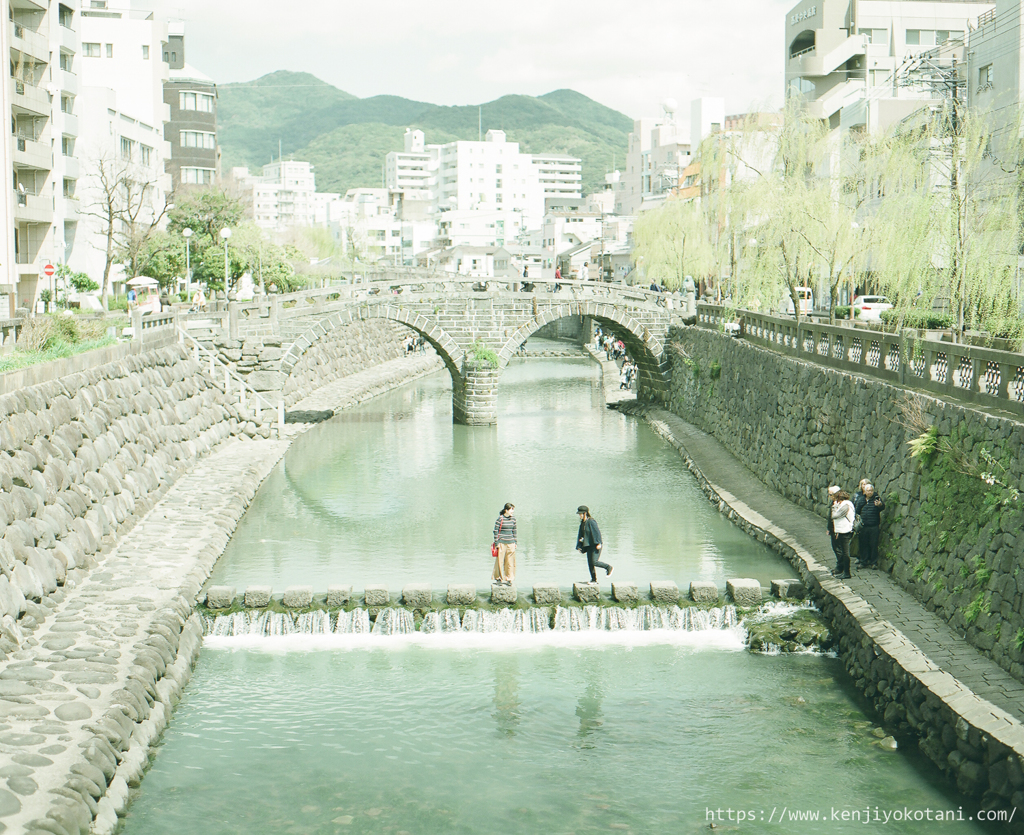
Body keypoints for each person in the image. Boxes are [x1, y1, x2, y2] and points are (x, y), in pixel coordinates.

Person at [576, 505, 612, 584]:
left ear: (585, 513)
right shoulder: (583, 523)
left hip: (596, 545)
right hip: (588, 545)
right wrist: (579, 546)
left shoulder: (591, 521)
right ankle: (594, 580)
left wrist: (599, 543)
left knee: (594, 562)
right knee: (590, 563)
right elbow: (580, 535)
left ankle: (608, 567)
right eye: (579, 514)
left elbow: (597, 532)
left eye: (580, 514)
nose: (579, 515)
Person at [854, 482, 885, 568]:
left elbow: (882, 507)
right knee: (863, 544)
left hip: (874, 525)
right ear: (865, 491)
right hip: (863, 526)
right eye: (868, 491)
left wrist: (880, 505)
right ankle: (863, 561)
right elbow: (857, 511)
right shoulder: (861, 499)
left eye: (871, 490)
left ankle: (873, 562)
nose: (870, 492)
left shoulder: (876, 499)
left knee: (873, 544)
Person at [830, 488, 856, 579]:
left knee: (845, 553)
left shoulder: (846, 505)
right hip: (841, 531)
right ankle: (844, 571)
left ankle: (847, 572)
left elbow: (835, 516)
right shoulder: (844, 505)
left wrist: (834, 507)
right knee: (843, 552)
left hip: (845, 531)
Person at [492, 503, 517, 586]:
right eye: (511, 510)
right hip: (502, 543)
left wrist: (515, 542)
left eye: (513, 509)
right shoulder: (500, 519)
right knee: (499, 561)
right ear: (506, 510)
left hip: (511, 543)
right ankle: (498, 578)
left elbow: (514, 531)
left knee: (510, 562)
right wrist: (496, 543)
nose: (512, 511)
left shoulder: (513, 519)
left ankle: (509, 579)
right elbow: (495, 531)